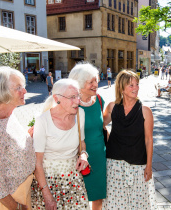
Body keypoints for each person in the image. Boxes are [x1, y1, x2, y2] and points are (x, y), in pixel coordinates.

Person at [0, 66, 36, 210]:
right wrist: (17, 207)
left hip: (22, 191)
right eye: (18, 87)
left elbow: (9, 144)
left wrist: (28, 136)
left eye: (23, 86)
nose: (24, 91)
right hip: (10, 201)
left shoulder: (8, 114)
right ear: (2, 91)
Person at [31, 79, 90, 209]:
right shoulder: (43, 121)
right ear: (56, 98)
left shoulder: (80, 114)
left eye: (78, 96)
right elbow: (37, 163)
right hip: (49, 182)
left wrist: (84, 155)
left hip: (73, 181)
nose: (77, 101)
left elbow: (82, 143)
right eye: (72, 97)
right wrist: (47, 195)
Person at [103, 70, 156, 209]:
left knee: (138, 205)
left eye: (137, 84)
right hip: (114, 164)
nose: (136, 88)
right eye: (131, 85)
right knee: (114, 204)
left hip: (138, 165)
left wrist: (149, 166)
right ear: (121, 88)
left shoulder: (145, 111)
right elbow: (98, 125)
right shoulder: (112, 107)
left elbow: (149, 140)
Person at [68, 63, 107, 210]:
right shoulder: (71, 104)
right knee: (77, 198)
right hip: (76, 158)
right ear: (79, 83)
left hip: (99, 157)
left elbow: (101, 124)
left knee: (98, 198)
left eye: (96, 80)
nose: (96, 84)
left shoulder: (99, 99)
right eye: (90, 82)